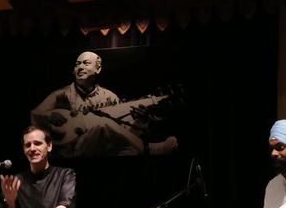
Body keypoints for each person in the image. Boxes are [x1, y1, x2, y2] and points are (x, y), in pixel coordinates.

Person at [31, 50, 178, 158]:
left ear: (98, 69)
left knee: (122, 146)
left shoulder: (109, 97)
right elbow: (35, 114)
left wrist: (141, 121)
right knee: (101, 124)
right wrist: (50, 115)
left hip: (101, 151)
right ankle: (150, 149)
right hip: (70, 151)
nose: (80, 67)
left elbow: (124, 133)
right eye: (77, 64)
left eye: (86, 63)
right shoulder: (61, 94)